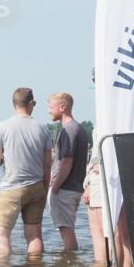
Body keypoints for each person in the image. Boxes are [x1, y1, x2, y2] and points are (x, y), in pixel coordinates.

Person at [0, 87, 52, 257]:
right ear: (31, 103)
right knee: (34, 235)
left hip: (12, 188)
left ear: (14, 104)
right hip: (37, 187)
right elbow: (48, 165)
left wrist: (4, 158)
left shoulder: (1, 127)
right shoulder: (43, 128)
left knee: (1, 236)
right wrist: (45, 189)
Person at [47, 92, 89, 251]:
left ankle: (68, 262)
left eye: (51, 107)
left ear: (62, 107)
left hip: (65, 188)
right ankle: (70, 262)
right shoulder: (77, 128)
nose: (49, 111)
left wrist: (55, 186)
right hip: (74, 187)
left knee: (66, 230)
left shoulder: (69, 129)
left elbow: (67, 161)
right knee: (67, 229)